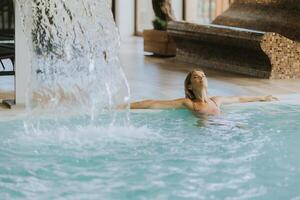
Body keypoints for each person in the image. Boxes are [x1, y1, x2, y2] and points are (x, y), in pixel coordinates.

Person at [130, 69, 278, 115]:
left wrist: (263, 97)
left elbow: (238, 99)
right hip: (206, 135)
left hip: (224, 129)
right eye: (196, 77)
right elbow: (153, 103)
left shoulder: (216, 101)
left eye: (203, 76)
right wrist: (127, 106)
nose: (201, 78)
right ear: (189, 86)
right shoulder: (189, 103)